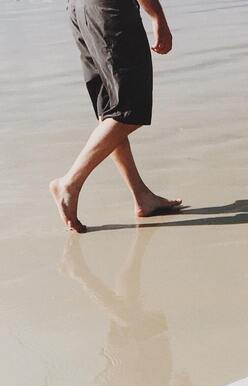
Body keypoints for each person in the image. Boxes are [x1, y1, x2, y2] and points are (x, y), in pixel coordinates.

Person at [51, 0, 183, 233]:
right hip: (109, 10)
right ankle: (70, 182)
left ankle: (141, 196)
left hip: (79, 10)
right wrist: (157, 17)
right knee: (129, 111)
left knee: (111, 112)